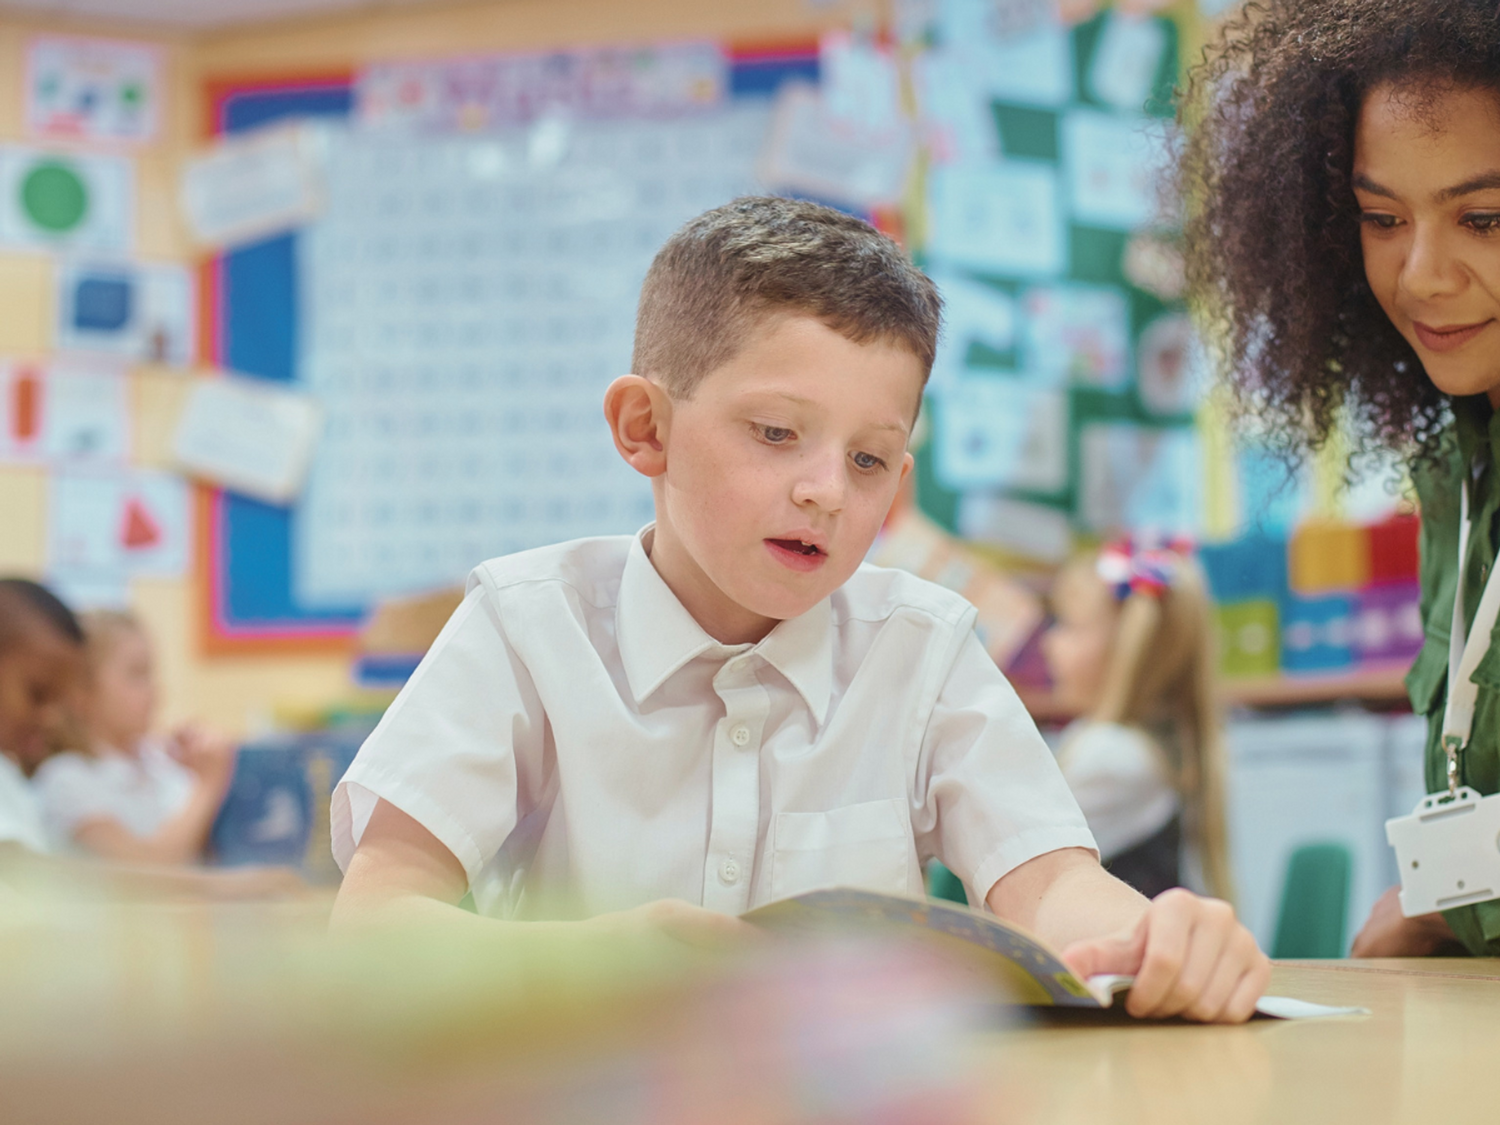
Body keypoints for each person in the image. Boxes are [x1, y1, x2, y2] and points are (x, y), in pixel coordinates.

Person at [331, 197, 1269, 1022]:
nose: (826, 490)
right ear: (645, 428)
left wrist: (1156, 941)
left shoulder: (924, 647)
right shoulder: (523, 627)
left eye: (868, 461)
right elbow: (374, 927)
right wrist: (598, 961)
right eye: (777, 433)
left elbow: (1052, 885)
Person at [1177, 0, 1500, 956]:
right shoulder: (1459, 470)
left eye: (1483, 217)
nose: (1422, 274)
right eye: (1381, 218)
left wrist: (1451, 902)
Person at [1042, 541, 1234, 903]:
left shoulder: (1112, 757)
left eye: (1067, 626)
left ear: (1124, 646)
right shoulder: (1126, 745)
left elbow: (1015, 852)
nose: (1049, 643)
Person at [34, 611, 237, 863]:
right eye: (137, 674)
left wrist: (195, 771)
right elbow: (145, 872)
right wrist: (208, 785)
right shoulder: (66, 779)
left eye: (152, 673)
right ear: (82, 693)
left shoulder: (160, 766)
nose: (154, 688)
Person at [0, 578, 87, 855]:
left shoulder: (10, 776)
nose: (49, 717)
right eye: (37, 694)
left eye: (57, 702)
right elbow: (22, 874)